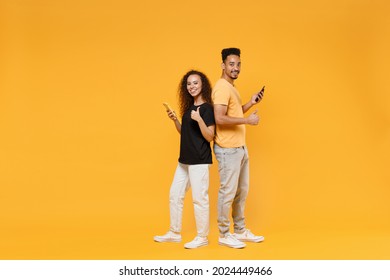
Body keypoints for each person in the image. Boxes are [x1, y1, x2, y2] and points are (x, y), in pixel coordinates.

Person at [154, 70, 215, 249]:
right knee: (175, 195)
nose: (192, 86)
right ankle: (174, 233)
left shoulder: (207, 109)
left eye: (195, 83)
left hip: (199, 161)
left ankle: (202, 237)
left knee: (199, 199)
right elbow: (185, 134)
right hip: (184, 161)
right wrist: (175, 121)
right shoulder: (189, 109)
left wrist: (199, 120)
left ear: (202, 84)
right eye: (189, 84)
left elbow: (210, 136)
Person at [212, 47, 265, 249]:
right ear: (223, 65)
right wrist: (247, 121)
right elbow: (219, 118)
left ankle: (240, 230)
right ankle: (224, 234)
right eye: (231, 64)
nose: (236, 68)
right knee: (228, 192)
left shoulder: (231, 87)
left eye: (238, 64)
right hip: (228, 149)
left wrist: (250, 103)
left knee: (240, 191)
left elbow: (230, 113)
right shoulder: (222, 87)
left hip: (239, 148)